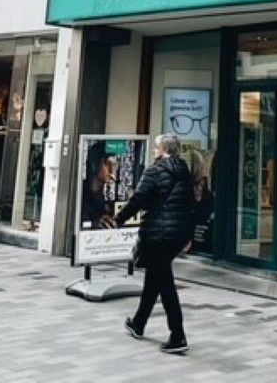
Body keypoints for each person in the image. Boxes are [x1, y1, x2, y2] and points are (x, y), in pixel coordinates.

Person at [115, 133, 194, 355]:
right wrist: (188, 234)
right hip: (177, 234)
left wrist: (118, 219)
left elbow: (138, 199)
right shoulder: (184, 171)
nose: (153, 151)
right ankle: (138, 323)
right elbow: (189, 204)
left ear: (163, 149)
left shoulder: (154, 170)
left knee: (165, 283)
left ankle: (178, 335)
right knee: (154, 277)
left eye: (156, 147)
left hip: (158, 233)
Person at [81, 144, 118, 229]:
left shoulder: (107, 195)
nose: (112, 170)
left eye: (114, 165)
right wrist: (96, 223)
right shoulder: (81, 194)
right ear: (95, 165)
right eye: (107, 164)